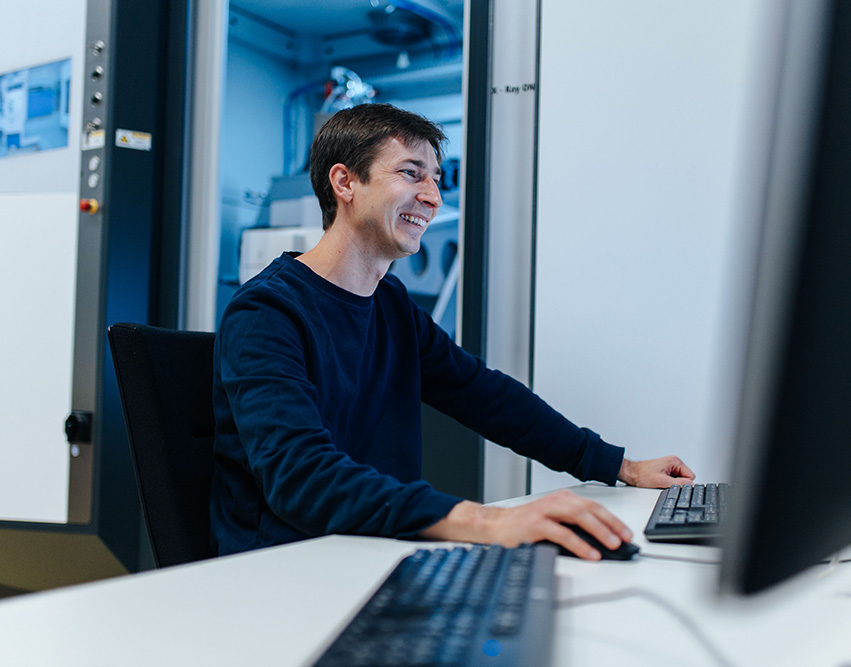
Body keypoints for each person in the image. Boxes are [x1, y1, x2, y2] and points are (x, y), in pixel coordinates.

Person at [211, 103, 695, 561]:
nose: (433, 197)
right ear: (345, 182)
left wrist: (620, 467)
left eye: (436, 179)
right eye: (410, 173)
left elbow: (486, 396)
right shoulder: (267, 312)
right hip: (288, 572)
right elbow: (301, 475)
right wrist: (488, 522)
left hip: (376, 551)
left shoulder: (392, 306)